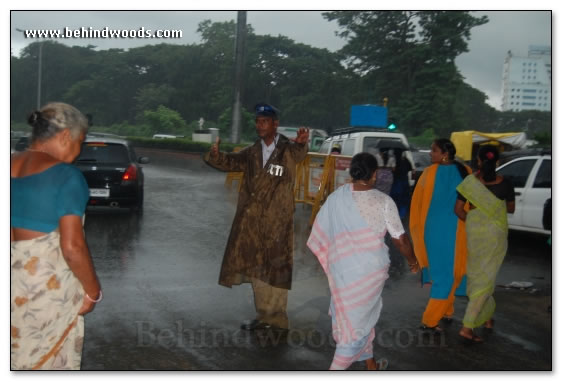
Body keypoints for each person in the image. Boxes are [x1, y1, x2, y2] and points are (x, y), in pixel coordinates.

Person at [307, 152, 419, 370]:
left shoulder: (337, 197)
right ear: (374, 174)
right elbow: (401, 240)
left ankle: (371, 366)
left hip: (342, 270)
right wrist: (413, 262)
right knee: (355, 326)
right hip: (369, 274)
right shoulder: (384, 201)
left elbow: (320, 230)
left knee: (357, 318)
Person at [11, 102, 102, 370]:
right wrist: (92, 291)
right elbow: (72, 247)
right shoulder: (66, 176)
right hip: (43, 296)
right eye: (80, 142)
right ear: (65, 136)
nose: (78, 152)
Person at [204, 103, 309, 333]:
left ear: (275, 124)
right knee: (258, 270)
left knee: (277, 270)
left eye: (264, 121)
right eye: (257, 121)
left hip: (277, 223)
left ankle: (278, 321)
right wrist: (215, 155)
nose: (259, 125)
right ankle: (263, 317)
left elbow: (300, 154)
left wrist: (302, 143)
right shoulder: (252, 152)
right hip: (253, 223)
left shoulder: (288, 150)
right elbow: (230, 162)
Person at [454, 145, 515, 343]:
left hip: (475, 234)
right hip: (495, 235)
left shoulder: (470, 183)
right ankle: (467, 326)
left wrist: (474, 220)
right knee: (487, 277)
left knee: (478, 275)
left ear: (478, 161)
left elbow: (458, 210)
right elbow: (511, 209)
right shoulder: (506, 184)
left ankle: (486, 317)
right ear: (497, 162)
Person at [409, 138, 471, 333]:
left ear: (444, 153)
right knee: (450, 273)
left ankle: (446, 310)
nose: (430, 154)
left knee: (446, 273)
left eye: (433, 151)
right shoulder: (465, 172)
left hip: (434, 231)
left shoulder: (429, 174)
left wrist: (418, 229)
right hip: (455, 230)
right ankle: (430, 321)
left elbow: (416, 205)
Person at [390, 148, 413, 219]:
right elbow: (410, 168)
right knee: (403, 200)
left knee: (394, 199)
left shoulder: (394, 160)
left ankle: (393, 214)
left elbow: (392, 170)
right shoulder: (405, 160)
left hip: (396, 183)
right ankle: (401, 215)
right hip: (404, 182)